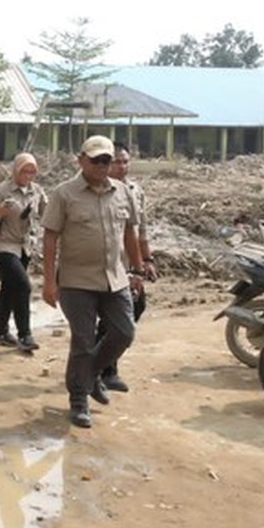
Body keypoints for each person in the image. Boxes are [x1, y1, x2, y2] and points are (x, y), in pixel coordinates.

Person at [40, 135, 143, 429]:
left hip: (115, 278)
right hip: (76, 281)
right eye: (95, 160)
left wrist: (136, 269)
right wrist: (49, 281)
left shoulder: (123, 192)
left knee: (124, 332)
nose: (101, 165)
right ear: (81, 160)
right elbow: (50, 237)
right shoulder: (64, 194)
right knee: (83, 341)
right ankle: (79, 400)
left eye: (106, 160)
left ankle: (90, 375)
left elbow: (129, 234)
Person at [96, 140, 156, 393]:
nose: (121, 166)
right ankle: (100, 369)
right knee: (113, 316)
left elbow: (140, 231)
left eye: (125, 161)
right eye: (116, 161)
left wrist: (145, 262)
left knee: (134, 308)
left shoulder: (134, 191)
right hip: (105, 262)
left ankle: (102, 365)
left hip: (128, 264)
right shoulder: (96, 190)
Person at [0, 152, 48, 351]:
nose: (28, 175)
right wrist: (0, 211)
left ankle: (0, 330)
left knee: (9, 288)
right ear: (15, 171)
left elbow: (48, 214)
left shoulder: (36, 191)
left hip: (24, 247)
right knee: (22, 285)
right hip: (3, 246)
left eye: (32, 171)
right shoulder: (2, 190)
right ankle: (25, 334)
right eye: (24, 171)